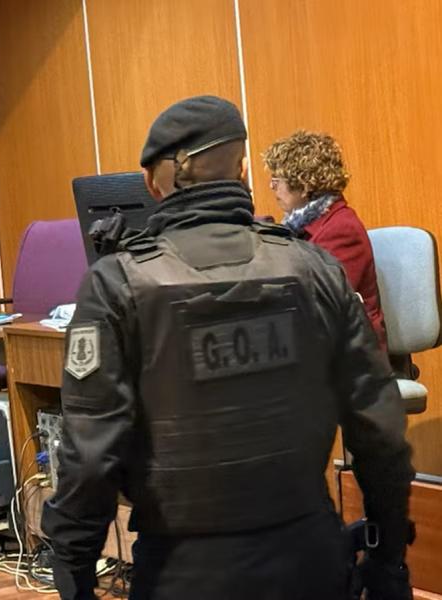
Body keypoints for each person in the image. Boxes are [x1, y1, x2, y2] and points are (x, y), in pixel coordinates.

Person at [42, 96, 414, 600]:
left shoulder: (117, 285)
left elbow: (89, 456)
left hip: (181, 574)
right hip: (311, 560)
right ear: (242, 172)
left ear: (151, 183)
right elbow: (380, 430)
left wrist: (74, 572)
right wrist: (388, 557)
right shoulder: (315, 270)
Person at [263, 130, 387, 349]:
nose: (272, 187)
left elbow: (323, 304)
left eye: (277, 180)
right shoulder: (301, 227)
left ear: (304, 184)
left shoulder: (342, 230)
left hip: (353, 353)